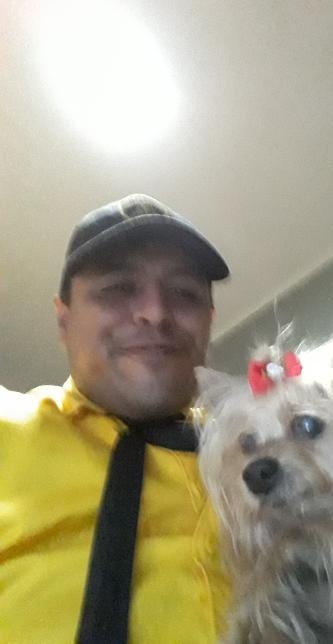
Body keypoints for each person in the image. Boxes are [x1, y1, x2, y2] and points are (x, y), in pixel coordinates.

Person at [0, 194, 232, 643]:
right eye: (118, 288)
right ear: (63, 321)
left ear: (208, 323)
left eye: (184, 294)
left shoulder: (264, 451)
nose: (155, 313)